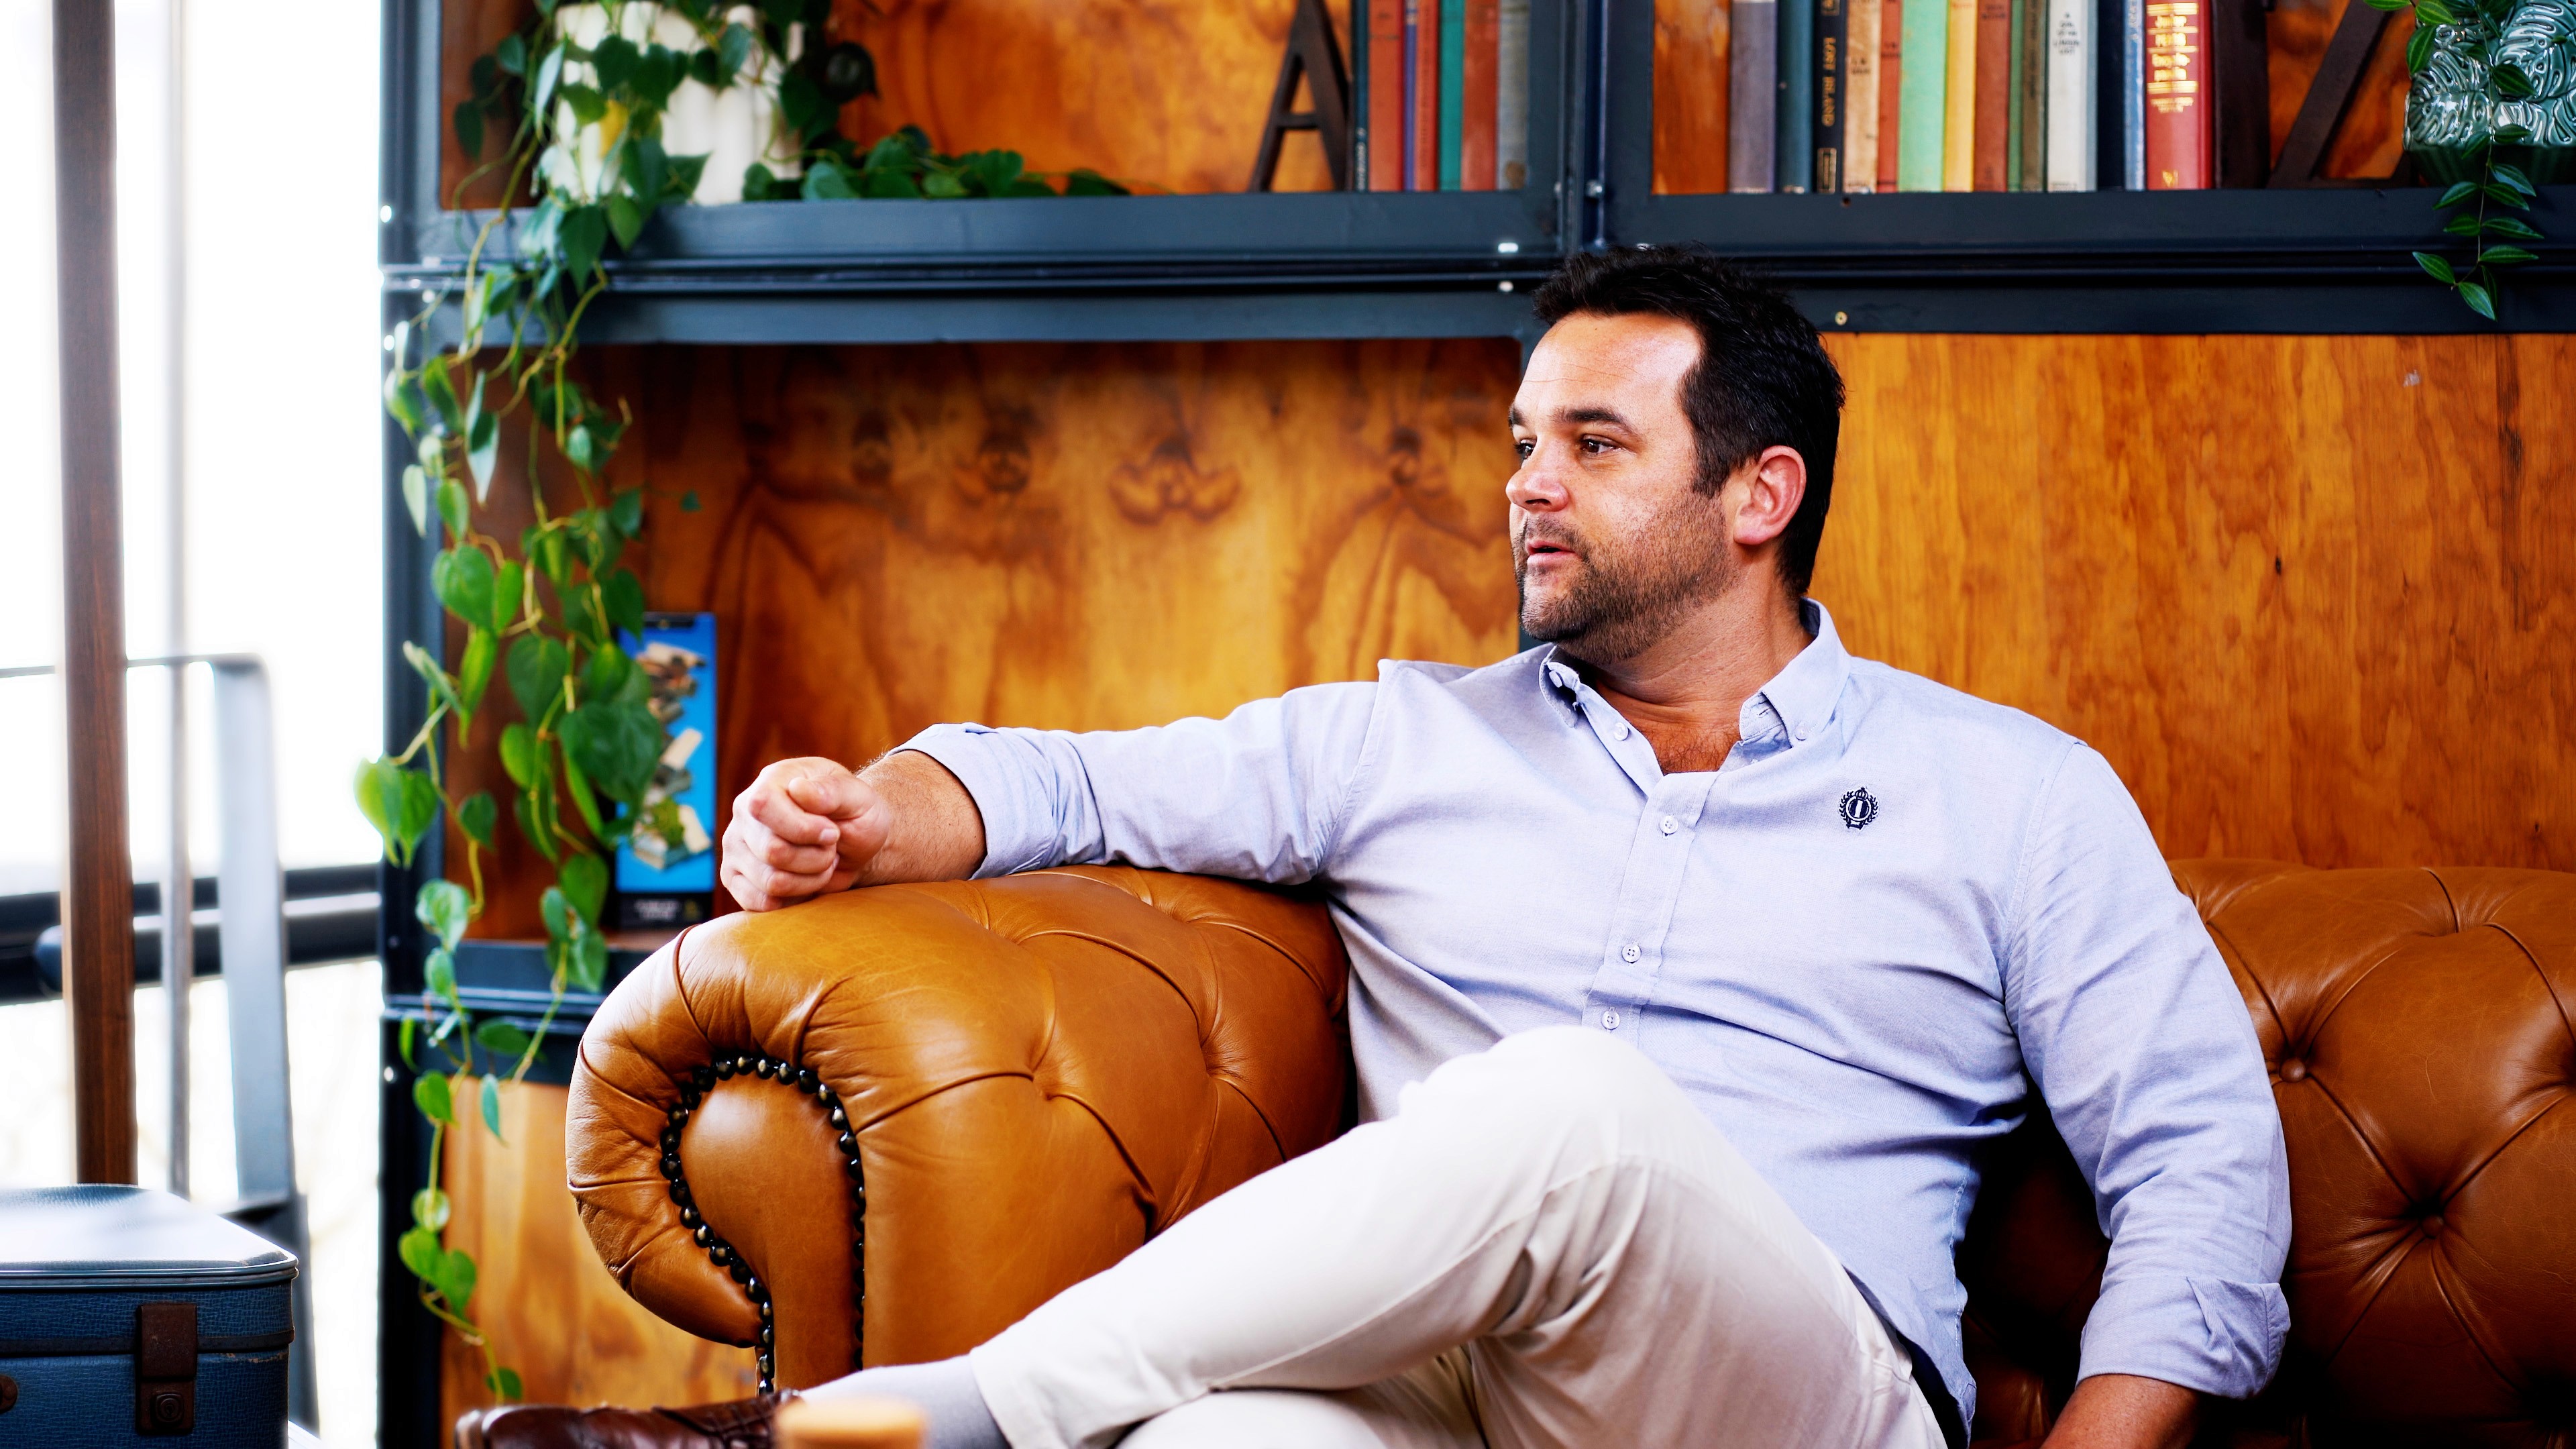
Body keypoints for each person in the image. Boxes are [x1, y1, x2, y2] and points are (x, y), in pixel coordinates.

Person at [465, 248, 2288, 1449]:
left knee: (1572, 1104)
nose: (1526, 484)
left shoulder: (2013, 792)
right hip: (1442, 1388)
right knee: (1211, 1438)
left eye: (1592, 443)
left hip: (1795, 1387)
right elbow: (1075, 786)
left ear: (1761, 494)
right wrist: (877, 814)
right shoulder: (1401, 739)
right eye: (1522, 439)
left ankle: (916, 1424)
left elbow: (2205, 1171)